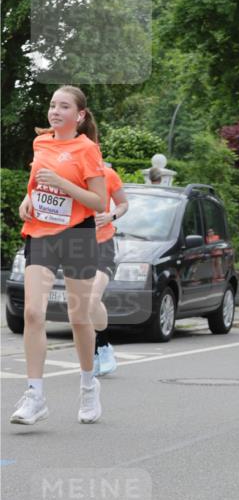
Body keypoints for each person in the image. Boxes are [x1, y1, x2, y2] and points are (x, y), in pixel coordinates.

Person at [10, 86, 106, 426]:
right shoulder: (41, 142)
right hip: (40, 233)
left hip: (77, 234)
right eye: (52, 105)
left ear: (79, 116)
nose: (55, 111)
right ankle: (35, 395)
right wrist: (27, 199)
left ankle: (88, 384)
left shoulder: (87, 150)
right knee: (33, 313)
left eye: (63, 106)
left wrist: (64, 186)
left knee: (78, 317)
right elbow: (36, 182)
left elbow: (99, 202)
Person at [92, 161, 128, 376]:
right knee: (87, 303)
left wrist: (110, 216)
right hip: (75, 245)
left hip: (102, 243)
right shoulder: (68, 174)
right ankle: (97, 349)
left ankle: (103, 347)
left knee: (92, 299)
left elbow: (123, 204)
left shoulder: (107, 173)